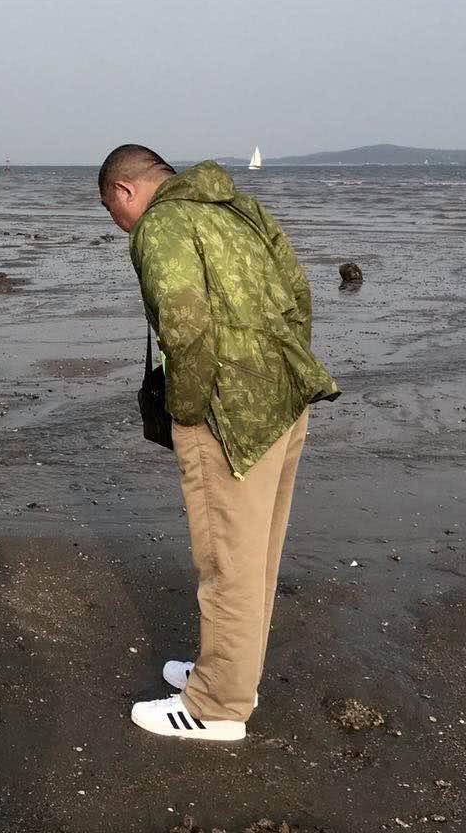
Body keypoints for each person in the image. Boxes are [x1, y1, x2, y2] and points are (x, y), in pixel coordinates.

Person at [99, 144, 339, 743]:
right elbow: (297, 292)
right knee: (256, 554)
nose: (118, 225)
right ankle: (233, 672)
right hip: (284, 397)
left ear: (126, 191)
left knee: (227, 560)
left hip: (225, 413)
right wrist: (280, 372)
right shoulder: (239, 207)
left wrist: (185, 410)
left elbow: (183, 321)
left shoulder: (162, 224)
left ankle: (216, 707)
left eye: (111, 211)